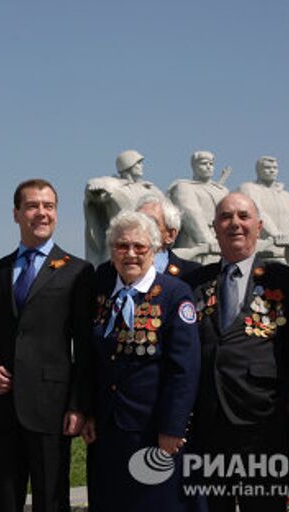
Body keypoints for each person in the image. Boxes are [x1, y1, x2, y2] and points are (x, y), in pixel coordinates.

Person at [0, 178, 93, 512]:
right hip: (2, 407)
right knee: (4, 499)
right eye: (33, 206)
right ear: (16, 213)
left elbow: (85, 345)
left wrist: (78, 405)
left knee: (51, 500)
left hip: (52, 407)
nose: (41, 213)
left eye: (48, 206)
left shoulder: (78, 271)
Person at [185, 192, 289, 512]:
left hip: (264, 419)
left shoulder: (284, 280)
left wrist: (288, 406)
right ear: (214, 227)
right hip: (208, 419)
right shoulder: (194, 282)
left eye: (243, 216)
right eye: (225, 217)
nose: (235, 223)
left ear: (259, 226)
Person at [82, 211, 201, 511]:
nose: (130, 254)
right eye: (122, 246)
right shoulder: (102, 293)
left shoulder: (174, 294)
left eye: (139, 247)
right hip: (108, 431)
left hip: (153, 430)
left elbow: (184, 369)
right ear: (111, 251)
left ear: (156, 249)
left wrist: (173, 427)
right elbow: (92, 360)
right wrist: (88, 411)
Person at [95, 194, 201, 286]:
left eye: (151, 222)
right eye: (137, 219)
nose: (142, 227)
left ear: (170, 235)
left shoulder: (193, 274)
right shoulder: (106, 272)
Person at [84, 149, 165, 265]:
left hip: (147, 245)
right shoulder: (114, 187)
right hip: (118, 244)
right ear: (127, 164)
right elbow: (93, 190)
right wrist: (98, 186)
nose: (141, 166)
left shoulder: (151, 189)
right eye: (138, 163)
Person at [168, 151, 230, 264]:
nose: (208, 167)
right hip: (196, 244)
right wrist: (208, 241)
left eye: (211, 164)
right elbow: (191, 213)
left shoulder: (222, 190)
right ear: (194, 166)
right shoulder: (183, 187)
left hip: (222, 243)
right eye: (204, 163)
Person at [237, 156, 289, 264]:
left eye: (275, 168)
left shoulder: (286, 195)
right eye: (267, 167)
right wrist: (275, 234)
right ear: (258, 170)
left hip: (285, 255)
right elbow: (257, 212)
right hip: (259, 254)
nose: (272, 170)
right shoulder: (249, 188)